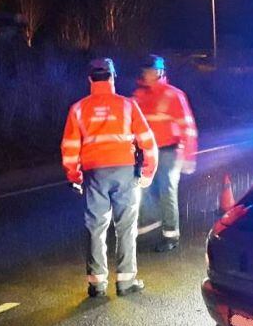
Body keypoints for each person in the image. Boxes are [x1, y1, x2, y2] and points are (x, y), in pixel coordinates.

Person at [61, 58, 158, 298]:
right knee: (126, 226)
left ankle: (97, 284)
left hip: (94, 173)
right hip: (125, 171)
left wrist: (74, 175)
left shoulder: (78, 109)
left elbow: (70, 147)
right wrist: (148, 171)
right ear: (113, 78)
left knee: (96, 226)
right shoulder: (128, 106)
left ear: (90, 79)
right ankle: (126, 282)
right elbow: (148, 142)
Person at [132, 54, 198, 252]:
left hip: (169, 151)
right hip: (146, 152)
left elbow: (188, 127)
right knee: (142, 189)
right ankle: (151, 222)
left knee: (167, 189)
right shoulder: (138, 95)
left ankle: (171, 234)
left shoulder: (173, 95)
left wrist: (188, 156)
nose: (148, 74)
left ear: (160, 72)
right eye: (146, 71)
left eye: (151, 70)